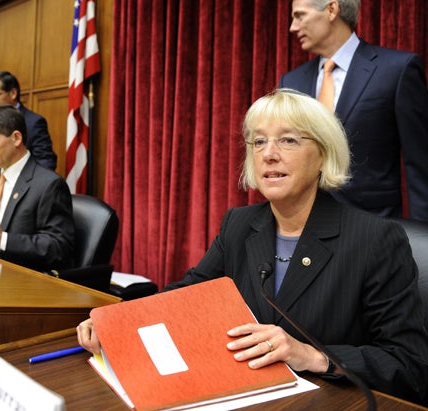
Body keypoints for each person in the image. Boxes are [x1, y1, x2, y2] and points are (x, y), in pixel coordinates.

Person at [77, 90, 428, 405]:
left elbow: (409, 363)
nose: (269, 154)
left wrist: (312, 355)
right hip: (240, 393)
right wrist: (115, 324)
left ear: (323, 155)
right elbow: (186, 296)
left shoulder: (375, 240)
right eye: (259, 142)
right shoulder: (240, 224)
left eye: (288, 140)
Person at [278, 0, 428, 221]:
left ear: (332, 9)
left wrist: (423, 235)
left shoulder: (397, 70)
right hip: (305, 227)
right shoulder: (291, 82)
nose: (293, 27)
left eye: (300, 15)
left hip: (373, 226)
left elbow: (420, 164)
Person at [0, 104, 73, 272]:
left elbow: (58, 247)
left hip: (21, 279)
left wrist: (3, 240)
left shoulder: (49, 185)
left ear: (16, 138)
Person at [0, 71, 57, 189]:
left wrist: (22, 187)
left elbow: (45, 160)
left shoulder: (34, 122)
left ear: (13, 93)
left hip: (26, 190)